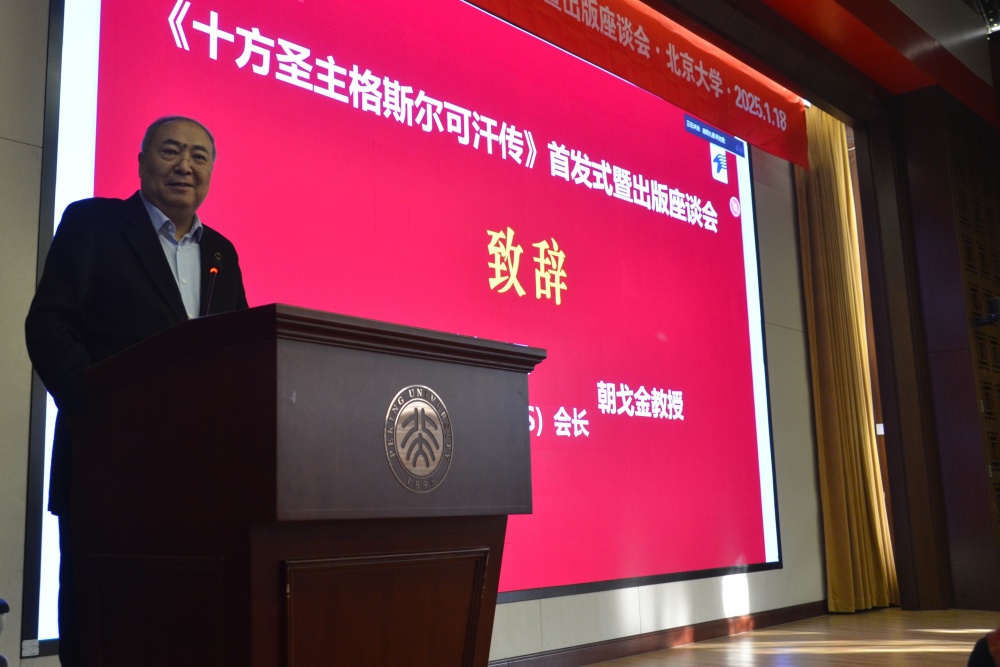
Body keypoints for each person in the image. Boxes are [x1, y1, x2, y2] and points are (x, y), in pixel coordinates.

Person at [25, 116, 249, 666]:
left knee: (179, 628)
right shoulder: (93, 224)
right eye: (171, 151)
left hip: (197, 481)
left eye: (199, 156)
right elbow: (50, 327)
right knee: (104, 626)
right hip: (107, 469)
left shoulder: (221, 252)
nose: (185, 166)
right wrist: (100, 415)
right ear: (143, 161)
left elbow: (238, 352)